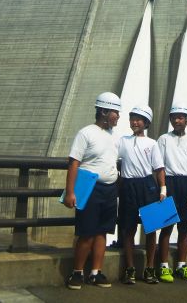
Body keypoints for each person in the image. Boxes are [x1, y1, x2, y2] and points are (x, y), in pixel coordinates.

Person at [63, 92, 121, 290]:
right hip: (91, 188)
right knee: (86, 232)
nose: (118, 117)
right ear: (104, 111)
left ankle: (96, 272)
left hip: (110, 189)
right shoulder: (86, 133)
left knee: (102, 232)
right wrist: (70, 192)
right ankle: (77, 272)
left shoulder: (114, 136)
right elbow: (74, 163)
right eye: (115, 112)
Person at [116, 106, 165, 285]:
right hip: (128, 185)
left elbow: (159, 168)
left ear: (146, 123)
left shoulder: (152, 143)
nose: (135, 122)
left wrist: (163, 189)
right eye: (132, 118)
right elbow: (114, 158)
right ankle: (130, 269)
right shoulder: (123, 141)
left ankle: (150, 267)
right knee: (128, 229)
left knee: (151, 228)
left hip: (147, 185)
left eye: (139, 119)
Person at [156, 104, 187, 283]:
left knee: (184, 228)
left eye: (181, 117)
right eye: (174, 117)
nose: (177, 120)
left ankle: (182, 265)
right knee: (166, 227)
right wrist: (162, 188)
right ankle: (163, 266)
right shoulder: (163, 139)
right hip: (170, 182)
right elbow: (158, 167)